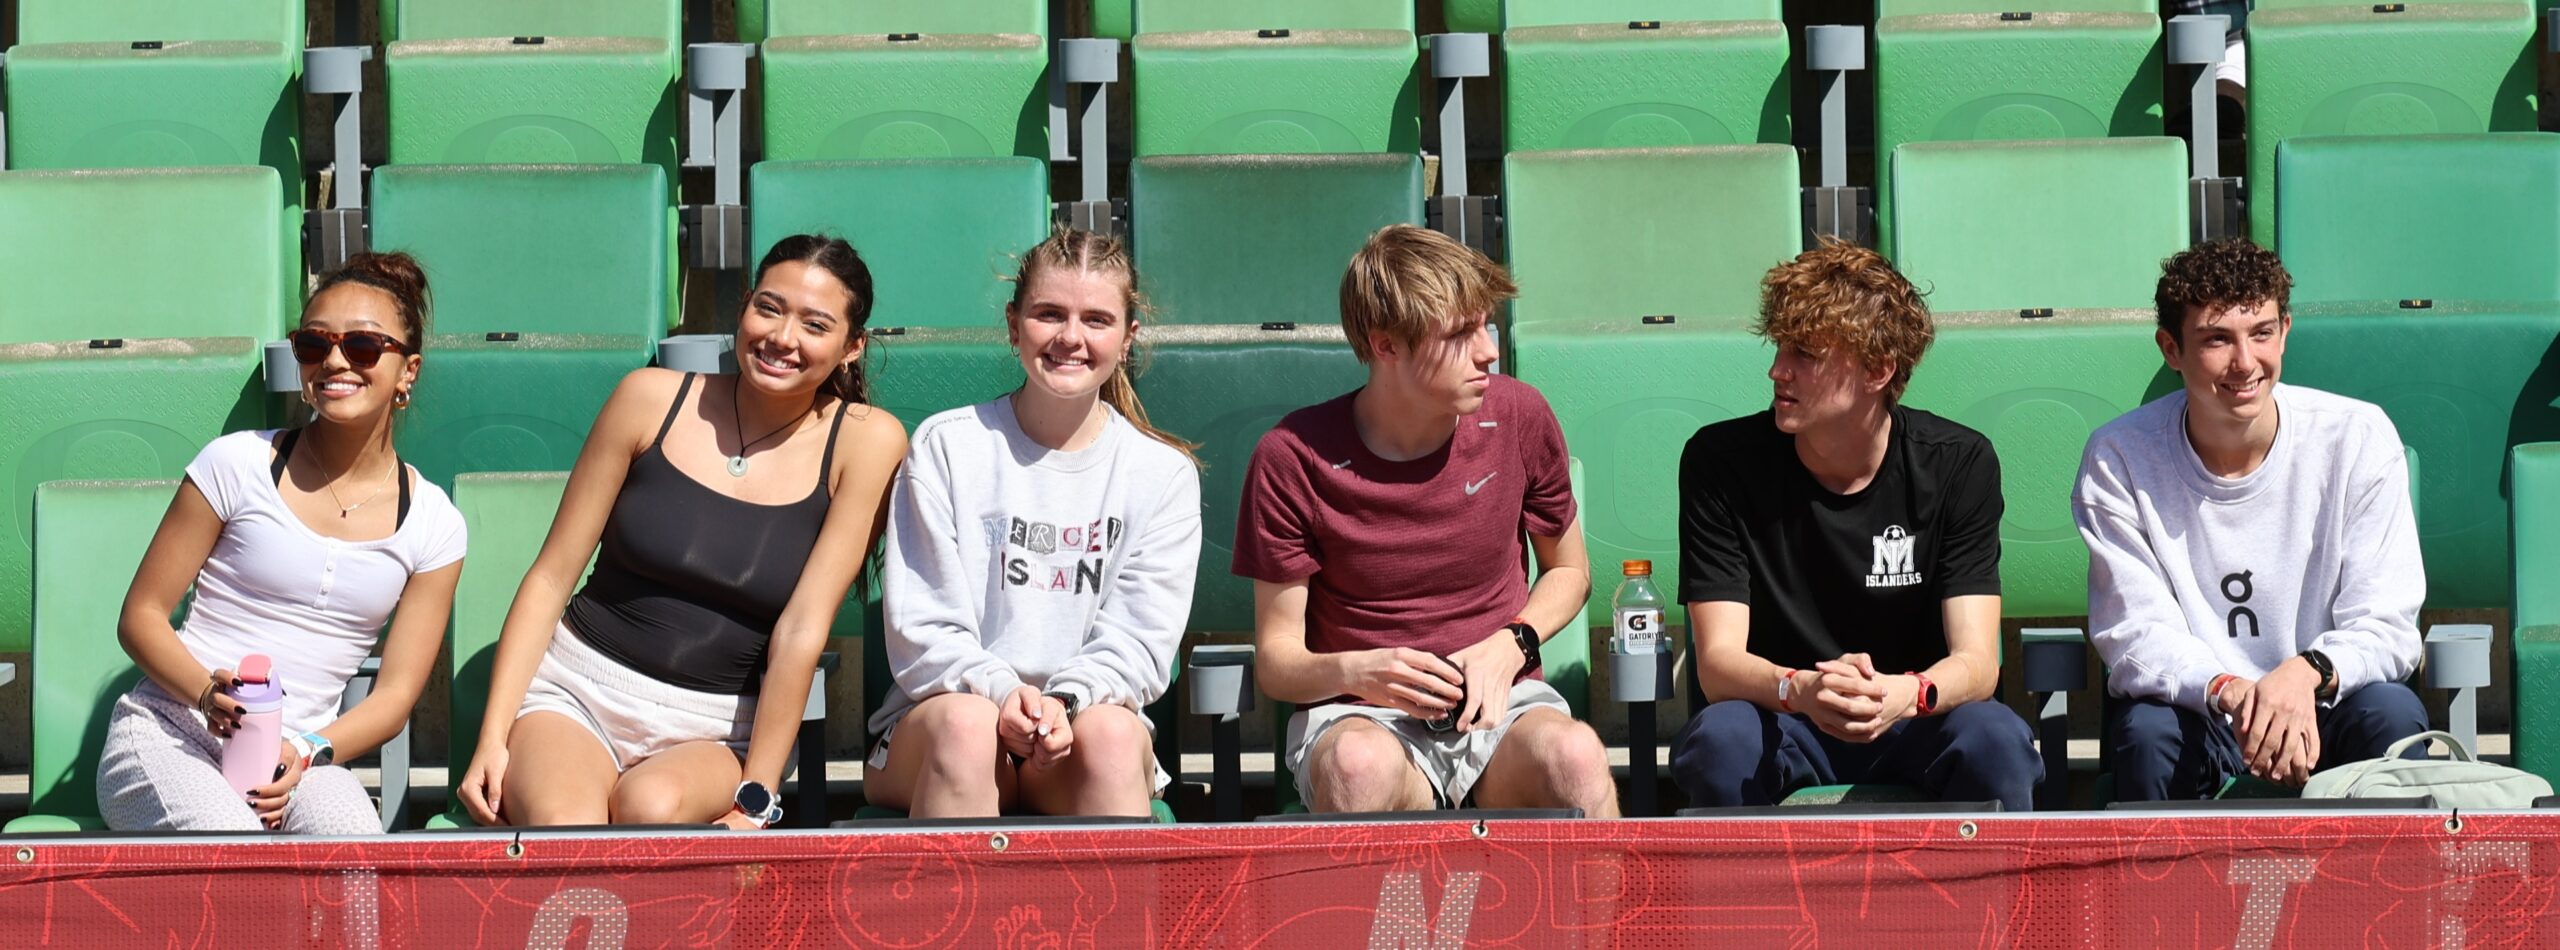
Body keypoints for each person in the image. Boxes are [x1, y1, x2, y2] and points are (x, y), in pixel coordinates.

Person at [455, 235, 907, 829]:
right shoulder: (648, 397)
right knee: (568, 826)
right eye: (768, 308)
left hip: (718, 728)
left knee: (652, 809)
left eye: (815, 325)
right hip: (577, 692)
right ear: (743, 307)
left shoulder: (867, 441)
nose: (782, 337)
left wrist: (757, 797)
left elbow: (802, 629)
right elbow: (551, 576)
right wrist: (492, 739)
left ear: (852, 347)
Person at [1235, 224, 1616, 816]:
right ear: (1386, 345)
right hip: (1362, 713)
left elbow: (1569, 571)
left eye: (1486, 326)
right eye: (1461, 334)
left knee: (1576, 756)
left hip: (1502, 704)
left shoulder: (1520, 415)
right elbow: (1279, 662)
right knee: (1356, 767)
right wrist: (1361, 672)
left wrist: (1512, 643)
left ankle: (1606, 888)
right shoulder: (1293, 457)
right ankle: (1392, 885)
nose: (1488, 351)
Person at [1669, 239, 2041, 811]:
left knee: (1995, 741)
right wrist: (1801, 688)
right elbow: (1718, 665)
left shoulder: (1958, 464)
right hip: (1784, 715)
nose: (1777, 370)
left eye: (1805, 354)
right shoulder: (1720, 463)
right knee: (1720, 742)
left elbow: (1977, 663)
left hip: (1913, 716)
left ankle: (1995, 877)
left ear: (1877, 369)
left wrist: (1906, 692)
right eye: (1779, 347)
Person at [99, 252, 464, 833]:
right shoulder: (235, 463)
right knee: (235, 852)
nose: (335, 360)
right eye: (314, 344)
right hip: (172, 729)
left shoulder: (435, 524)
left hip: (301, 759)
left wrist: (308, 751)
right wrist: (204, 694)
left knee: (356, 862)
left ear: (408, 371)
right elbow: (140, 616)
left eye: (364, 346)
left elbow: (394, 698)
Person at [863, 229, 1203, 819]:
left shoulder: (1162, 474)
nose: (1071, 337)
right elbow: (923, 629)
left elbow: (1139, 645)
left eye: (1096, 320)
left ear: (1127, 338)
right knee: (969, 730)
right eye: (1049, 314)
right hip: (945, 719)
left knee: (1114, 739)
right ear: (1013, 324)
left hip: (1080, 728)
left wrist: (1064, 702)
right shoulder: (948, 447)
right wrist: (1002, 694)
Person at [2077, 239, 2424, 800]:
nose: (2245, 362)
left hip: (2324, 700)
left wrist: (2303, 675)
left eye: (2261, 333)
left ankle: (2388, 864)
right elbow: (2136, 633)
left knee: (2391, 713)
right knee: (2147, 732)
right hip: (2205, 709)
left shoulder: (2357, 437)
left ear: (2285, 331)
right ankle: (2159, 866)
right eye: (2217, 339)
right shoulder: (2120, 457)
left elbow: (2387, 623)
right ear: (2171, 348)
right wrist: (2233, 691)